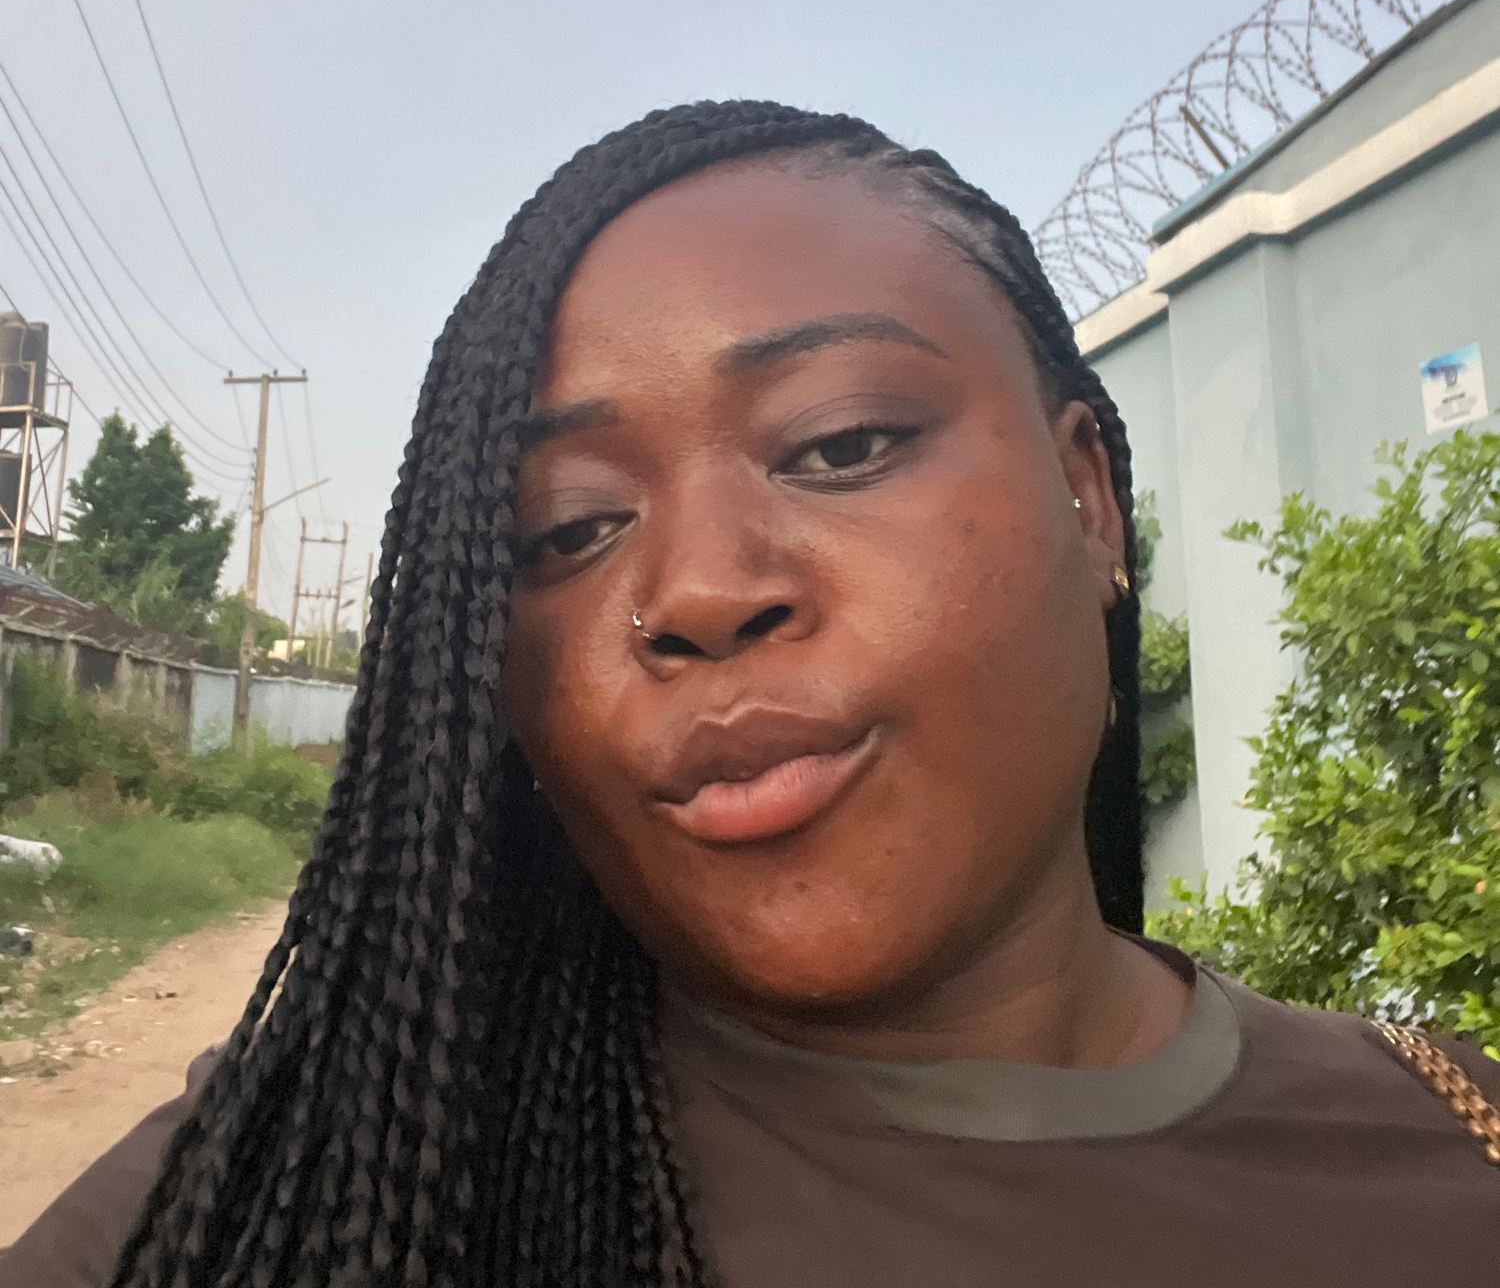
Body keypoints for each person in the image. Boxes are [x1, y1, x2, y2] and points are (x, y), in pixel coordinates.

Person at [5, 98, 1497, 1288]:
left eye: (841, 443)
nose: (705, 591)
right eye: (569, 530)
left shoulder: (1457, 1149)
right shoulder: (287, 1201)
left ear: (1088, 497)